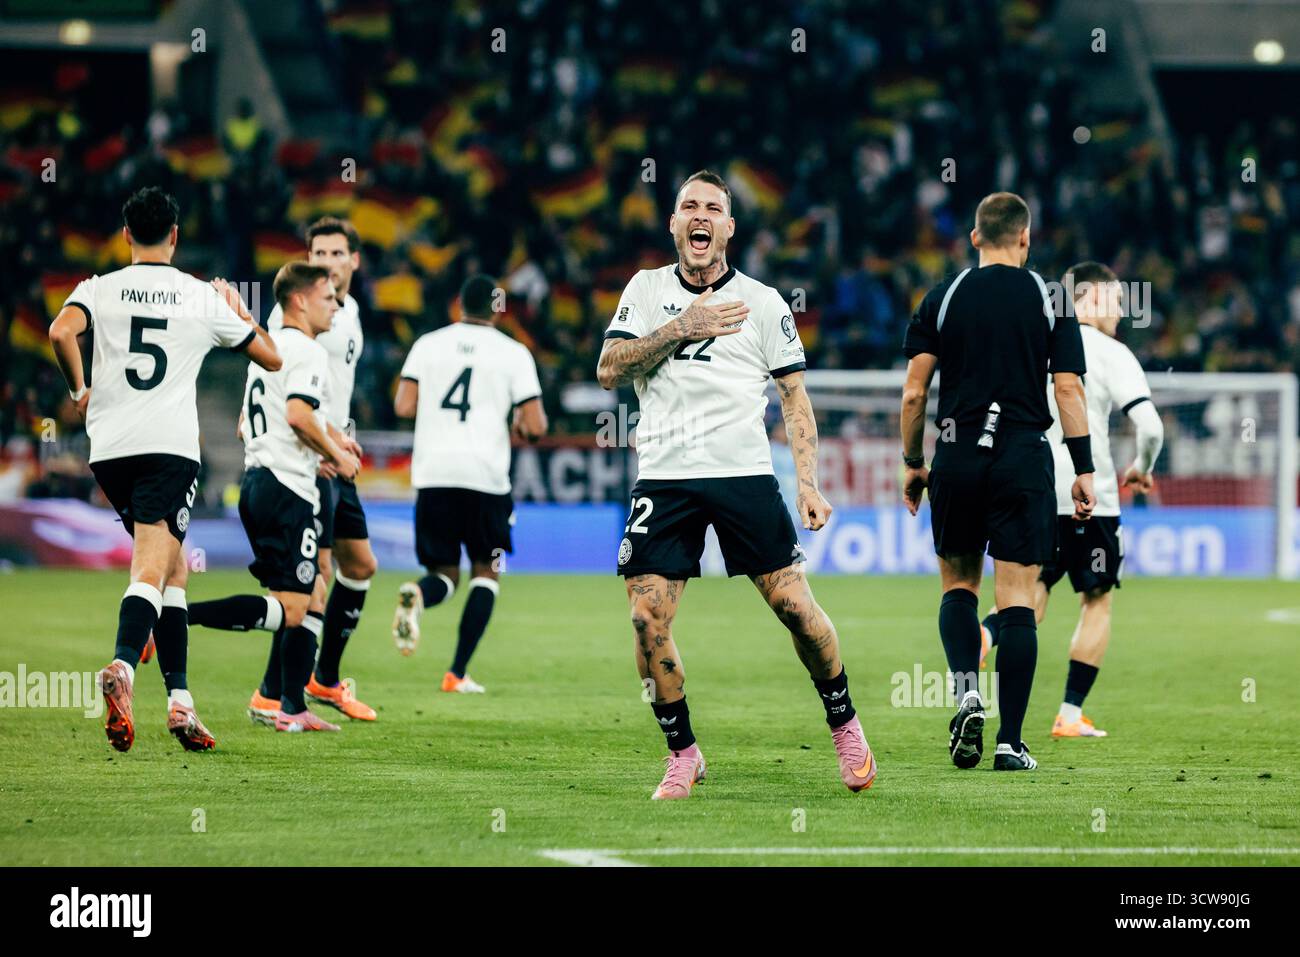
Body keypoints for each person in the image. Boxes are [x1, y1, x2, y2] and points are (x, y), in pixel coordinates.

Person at [596, 170, 876, 800]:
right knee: (646, 619)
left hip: (744, 474)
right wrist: (681, 326)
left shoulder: (765, 302)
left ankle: (844, 722)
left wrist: (808, 483)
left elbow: (794, 399)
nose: (700, 216)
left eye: (713, 208)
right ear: (673, 225)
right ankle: (682, 753)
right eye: (688, 206)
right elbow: (609, 369)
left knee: (796, 610)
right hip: (665, 477)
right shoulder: (644, 290)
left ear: (727, 227)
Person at [47, 186, 280, 752]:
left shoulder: (96, 289)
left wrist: (79, 389)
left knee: (174, 569)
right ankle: (123, 668)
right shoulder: (199, 297)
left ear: (126, 235)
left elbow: (59, 332)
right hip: (168, 450)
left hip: (109, 450)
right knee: (152, 570)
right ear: (175, 235)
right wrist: (239, 313)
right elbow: (272, 357)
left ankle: (181, 705)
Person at [901, 191, 1096, 772]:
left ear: (975, 238)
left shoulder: (943, 297)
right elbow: (1068, 389)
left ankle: (967, 692)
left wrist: (913, 463)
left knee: (958, 587)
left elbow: (914, 392)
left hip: (957, 457)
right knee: (1016, 601)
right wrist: (1083, 469)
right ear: (1026, 239)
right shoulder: (1050, 297)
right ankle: (1011, 743)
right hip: (1021, 456)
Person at [982, 261, 1164, 738]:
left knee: (1028, 595)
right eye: (1117, 300)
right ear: (1091, 296)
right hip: (1092, 495)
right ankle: (1068, 714)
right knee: (1096, 599)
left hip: (1036, 484)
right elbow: (1151, 426)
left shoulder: (1036, 339)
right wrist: (1142, 470)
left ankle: (982, 637)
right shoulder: (1110, 352)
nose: (1122, 311)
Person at [187, 262, 360, 733]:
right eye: (328, 298)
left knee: (310, 592)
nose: (336, 305)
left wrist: (328, 443)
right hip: (286, 491)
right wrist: (335, 456)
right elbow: (299, 414)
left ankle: (288, 704)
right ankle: (177, 617)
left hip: (259, 483)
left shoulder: (269, 350)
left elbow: (249, 425)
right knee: (293, 608)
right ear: (300, 300)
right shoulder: (306, 351)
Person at [392, 274, 547, 693]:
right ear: (499, 309)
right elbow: (535, 425)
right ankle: (456, 673)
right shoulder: (514, 353)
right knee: (487, 570)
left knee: (443, 574)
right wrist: (511, 418)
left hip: (433, 474)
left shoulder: (428, 344)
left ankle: (419, 595)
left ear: (458, 306)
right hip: (485, 478)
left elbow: (404, 405)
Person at [266, 218, 377, 721]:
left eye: (336, 253)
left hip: (337, 452)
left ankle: (323, 678)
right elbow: (268, 367)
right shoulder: (294, 311)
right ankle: (277, 691)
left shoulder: (346, 312)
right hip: (315, 457)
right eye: (318, 253)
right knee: (313, 579)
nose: (327, 262)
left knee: (359, 566)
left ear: (354, 260)